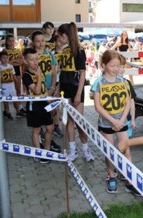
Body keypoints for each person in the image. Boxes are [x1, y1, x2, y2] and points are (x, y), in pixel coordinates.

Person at [90, 50, 140, 196]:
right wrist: (113, 121)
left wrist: (123, 120)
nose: (116, 69)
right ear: (103, 65)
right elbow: (98, 107)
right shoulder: (98, 83)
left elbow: (127, 103)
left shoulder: (123, 82)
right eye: (112, 66)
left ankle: (130, 179)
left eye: (118, 66)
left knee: (126, 150)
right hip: (107, 124)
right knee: (110, 152)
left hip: (121, 122)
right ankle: (111, 175)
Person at [57, 22, 95, 162]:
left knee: (79, 121)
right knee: (68, 121)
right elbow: (61, 72)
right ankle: (73, 150)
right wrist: (57, 90)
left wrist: (79, 94)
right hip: (64, 88)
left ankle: (85, 149)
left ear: (65, 35)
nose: (59, 39)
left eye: (60, 36)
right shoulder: (64, 51)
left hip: (75, 88)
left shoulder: (79, 51)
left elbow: (82, 74)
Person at [30, 30, 62, 151]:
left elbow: (54, 73)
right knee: (41, 118)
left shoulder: (50, 54)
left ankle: (50, 140)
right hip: (38, 92)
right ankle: (43, 140)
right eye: (37, 41)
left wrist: (53, 88)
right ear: (33, 42)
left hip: (49, 90)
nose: (41, 43)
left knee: (51, 114)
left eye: (42, 40)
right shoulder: (32, 56)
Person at [22, 48, 54, 164]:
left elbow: (43, 90)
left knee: (50, 128)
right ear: (25, 61)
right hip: (34, 106)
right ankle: (38, 152)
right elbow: (36, 90)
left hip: (44, 104)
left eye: (36, 59)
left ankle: (47, 150)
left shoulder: (40, 71)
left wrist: (49, 103)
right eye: (31, 60)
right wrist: (39, 76)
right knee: (37, 129)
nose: (35, 62)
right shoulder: (26, 75)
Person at [4, 34, 27, 117]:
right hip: (7, 72)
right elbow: (6, 62)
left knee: (17, 90)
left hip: (17, 70)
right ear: (6, 41)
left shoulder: (18, 50)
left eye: (13, 41)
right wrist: (16, 61)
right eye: (10, 41)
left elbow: (22, 60)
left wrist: (13, 61)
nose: (11, 42)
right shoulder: (4, 51)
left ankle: (19, 108)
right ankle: (7, 111)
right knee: (7, 91)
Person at [0, 50, 22, 120]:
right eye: (3, 58)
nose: (5, 59)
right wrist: (6, 80)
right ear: (0, 59)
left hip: (11, 85)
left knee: (15, 98)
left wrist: (16, 81)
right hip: (4, 86)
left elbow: (14, 75)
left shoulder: (11, 66)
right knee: (6, 100)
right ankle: (7, 112)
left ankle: (18, 111)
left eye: (7, 58)